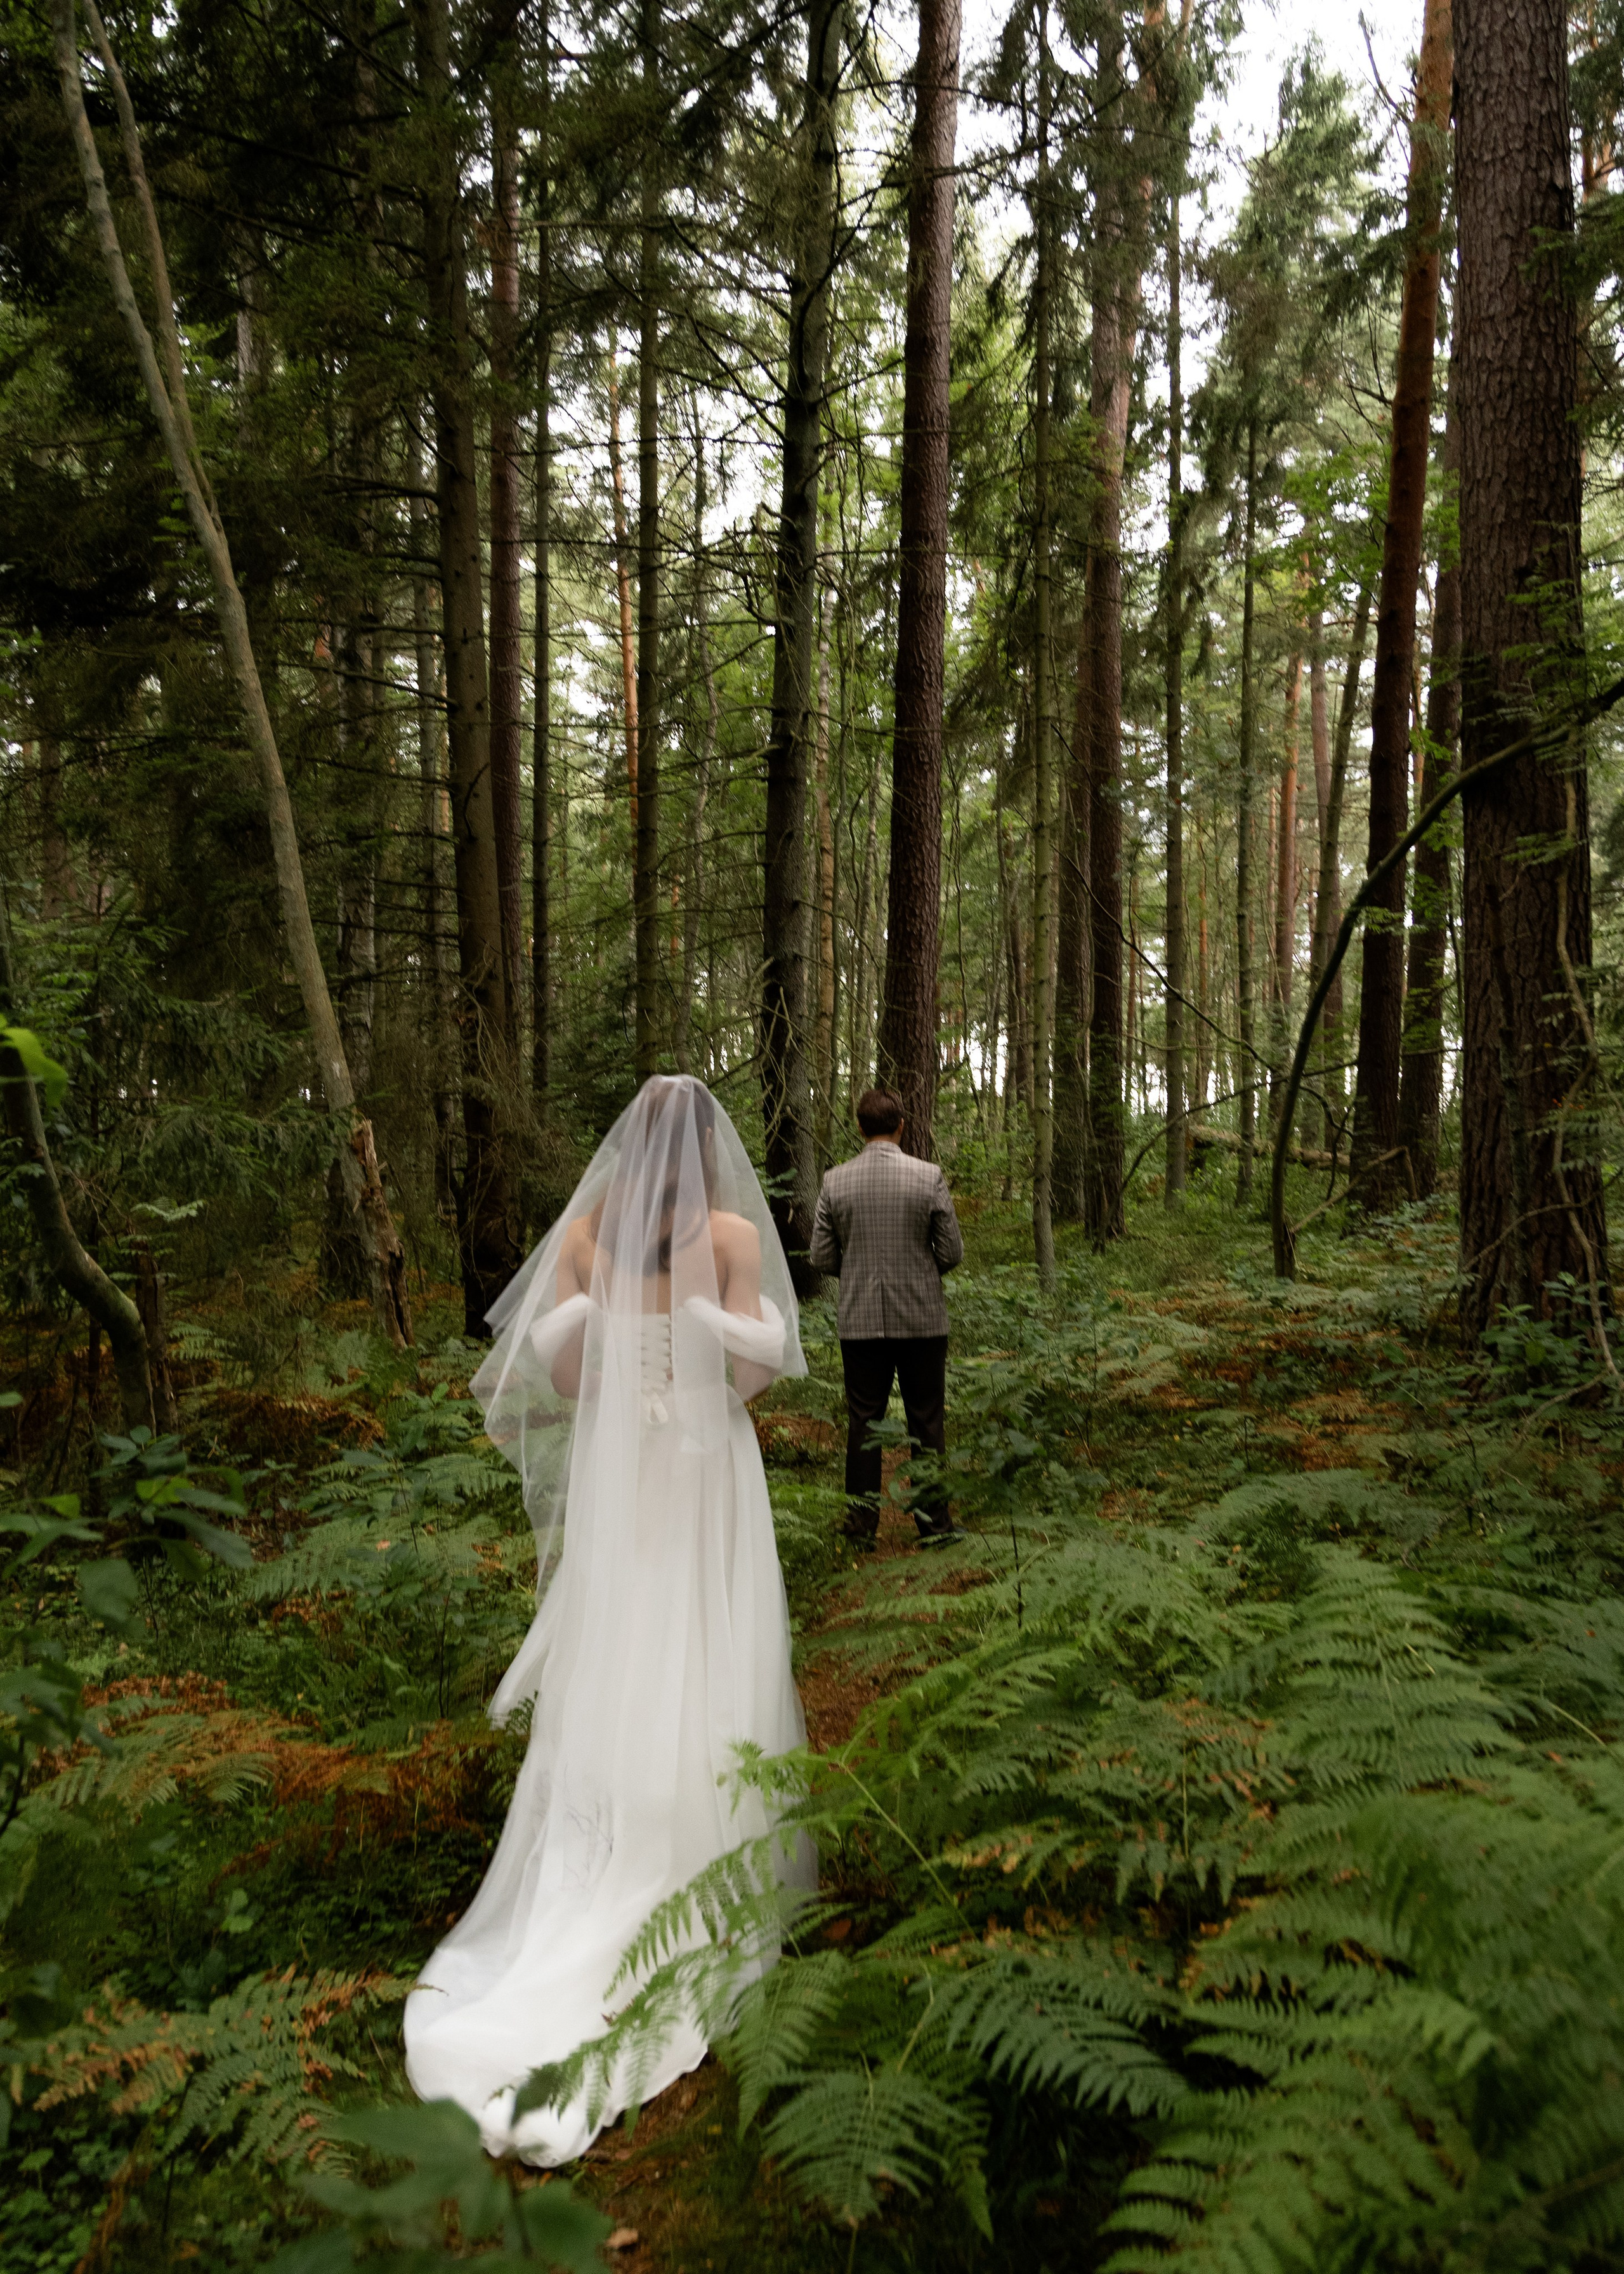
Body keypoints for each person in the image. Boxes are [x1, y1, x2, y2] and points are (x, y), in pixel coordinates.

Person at [404, 1077, 813, 2164]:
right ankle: (701, 1840)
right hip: (705, 1468)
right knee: (710, 1636)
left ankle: (603, 1833)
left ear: (627, 1148)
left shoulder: (585, 1239)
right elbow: (758, 1376)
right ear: (707, 1150)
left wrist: (626, 1362)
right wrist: (696, 1360)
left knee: (620, 1636)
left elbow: (569, 1375)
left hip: (624, 1479)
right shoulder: (729, 1231)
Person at [808, 1086, 965, 1548]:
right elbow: (952, 1251)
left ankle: (860, 1529)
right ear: (902, 1126)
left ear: (859, 1128)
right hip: (922, 1320)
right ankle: (934, 1526)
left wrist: (854, 1269)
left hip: (860, 1321)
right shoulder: (929, 1176)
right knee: (927, 1420)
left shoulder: (835, 1181)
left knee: (864, 1422)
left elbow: (820, 1256)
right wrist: (919, 1272)